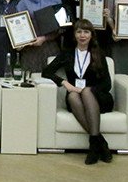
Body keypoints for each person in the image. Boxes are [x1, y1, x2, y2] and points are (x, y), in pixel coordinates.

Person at [42, 19, 114, 164]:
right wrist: (65, 83)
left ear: (91, 35)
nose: (82, 35)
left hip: (99, 98)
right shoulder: (67, 53)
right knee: (73, 96)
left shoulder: (99, 54)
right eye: (79, 32)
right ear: (74, 35)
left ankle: (95, 146)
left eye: (86, 32)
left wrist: (88, 90)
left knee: (86, 92)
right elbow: (46, 72)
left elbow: (107, 84)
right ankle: (98, 143)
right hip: (76, 99)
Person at [14, 0, 63, 74]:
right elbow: (17, 24)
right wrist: (19, 41)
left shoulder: (56, 1)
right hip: (29, 48)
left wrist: (44, 38)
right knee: (29, 80)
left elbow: (60, 28)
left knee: (50, 79)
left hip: (49, 46)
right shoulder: (25, 1)